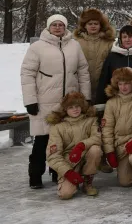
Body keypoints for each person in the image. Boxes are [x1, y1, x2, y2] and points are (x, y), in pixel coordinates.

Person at [21, 14, 92, 188]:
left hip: (68, 103)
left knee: (64, 140)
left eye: (61, 24)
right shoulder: (37, 47)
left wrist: (86, 97)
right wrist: (30, 100)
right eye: (54, 25)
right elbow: (27, 74)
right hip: (44, 102)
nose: (58, 27)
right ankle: (35, 175)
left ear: (65, 27)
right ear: (48, 27)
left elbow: (83, 72)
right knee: (42, 141)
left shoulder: (74, 46)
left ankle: (57, 172)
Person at [102, 67, 132, 190]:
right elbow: (107, 128)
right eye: (120, 84)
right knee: (126, 182)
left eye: (127, 83)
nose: (123, 87)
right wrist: (109, 151)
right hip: (120, 145)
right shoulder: (111, 103)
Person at [45, 92, 101, 199]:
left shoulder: (90, 120)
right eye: (71, 107)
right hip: (69, 162)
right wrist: (67, 172)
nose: (75, 109)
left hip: (85, 155)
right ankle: (71, 179)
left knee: (95, 149)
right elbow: (53, 156)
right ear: (65, 109)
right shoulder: (57, 127)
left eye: (77, 106)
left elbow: (97, 137)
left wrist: (82, 145)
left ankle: (87, 181)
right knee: (65, 194)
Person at [74, 8, 115, 93]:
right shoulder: (76, 42)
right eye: (90, 24)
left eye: (96, 23)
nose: (93, 26)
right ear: (84, 25)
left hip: (103, 87)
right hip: (81, 87)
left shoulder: (109, 42)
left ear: (100, 25)